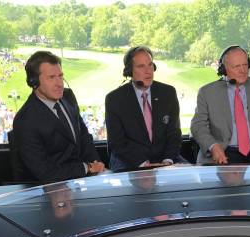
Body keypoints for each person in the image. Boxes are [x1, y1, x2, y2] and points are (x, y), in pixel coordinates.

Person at [12, 51, 105, 183]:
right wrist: (87, 167)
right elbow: (45, 172)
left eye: (60, 76)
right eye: (51, 77)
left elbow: (83, 135)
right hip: (49, 191)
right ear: (34, 82)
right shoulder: (25, 121)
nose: (59, 83)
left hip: (84, 182)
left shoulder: (68, 96)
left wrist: (96, 163)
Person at [191, 45, 250, 165]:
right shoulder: (207, 92)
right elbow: (198, 126)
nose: (243, 70)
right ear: (223, 69)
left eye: (245, 65)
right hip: (224, 151)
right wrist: (213, 146)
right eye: (237, 66)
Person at [105, 46, 183, 171]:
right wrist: (143, 164)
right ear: (129, 71)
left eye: (150, 65)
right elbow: (117, 142)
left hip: (164, 159)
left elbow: (174, 133)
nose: (148, 71)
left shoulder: (168, 93)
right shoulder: (115, 99)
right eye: (141, 66)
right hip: (130, 160)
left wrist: (167, 160)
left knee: (191, 178)